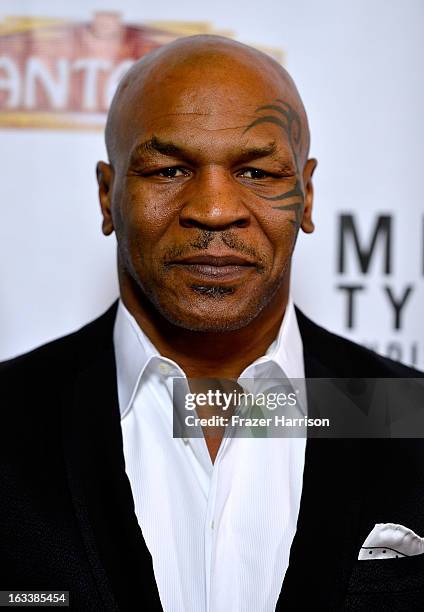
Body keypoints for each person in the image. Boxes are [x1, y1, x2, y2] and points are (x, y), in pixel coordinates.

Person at [1, 35, 423, 612]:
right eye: (170, 170)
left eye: (257, 172)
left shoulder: (407, 413)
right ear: (107, 195)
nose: (216, 208)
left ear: (307, 194)